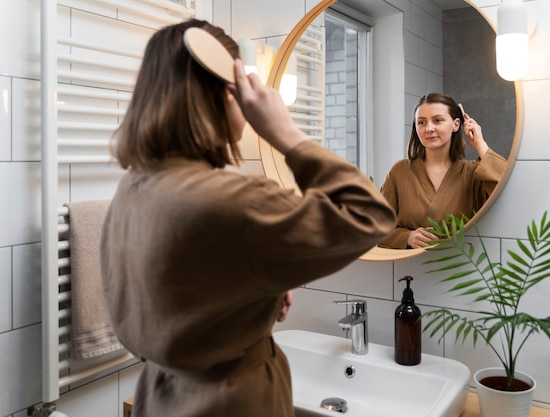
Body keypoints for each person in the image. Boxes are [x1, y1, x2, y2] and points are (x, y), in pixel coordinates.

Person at [99, 19, 395, 417]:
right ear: (227, 92)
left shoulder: (133, 189)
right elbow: (370, 213)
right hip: (233, 402)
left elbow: (178, 297)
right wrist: (287, 133)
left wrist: (251, 293)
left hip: (159, 396)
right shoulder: (236, 201)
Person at [378, 93, 506, 249]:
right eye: (421, 122)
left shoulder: (474, 173)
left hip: (462, 267)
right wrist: (407, 237)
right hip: (407, 267)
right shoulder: (399, 172)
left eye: (437, 120)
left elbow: (508, 196)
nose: (429, 128)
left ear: (456, 124)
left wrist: (480, 144)